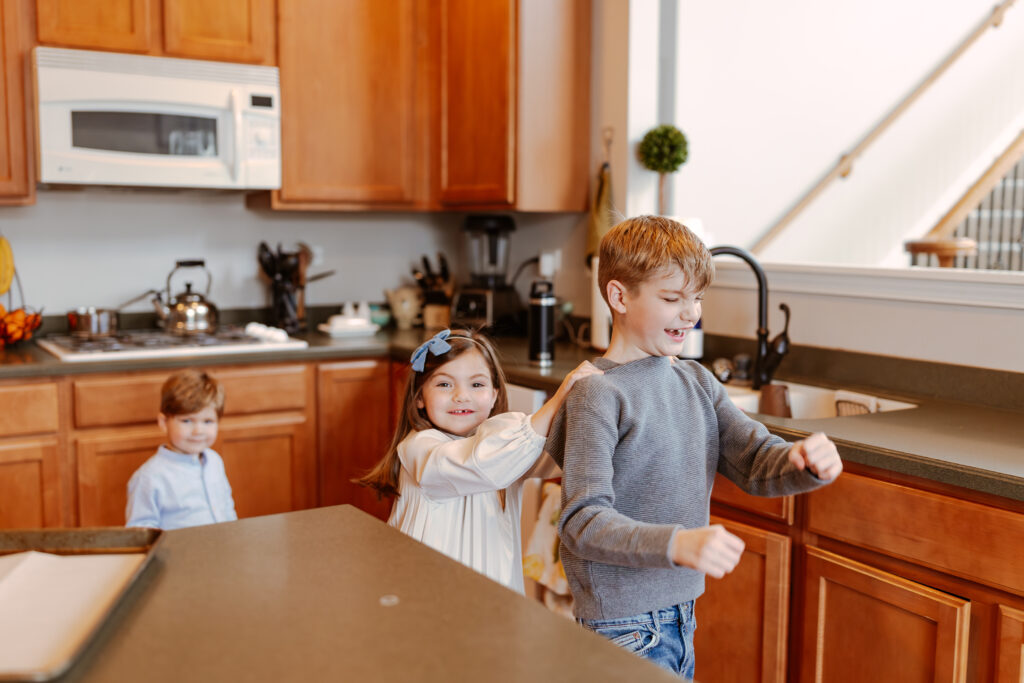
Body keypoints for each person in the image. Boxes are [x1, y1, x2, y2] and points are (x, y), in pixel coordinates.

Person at [546, 215, 843, 678]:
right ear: (619, 297)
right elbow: (582, 522)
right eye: (672, 299)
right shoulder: (598, 394)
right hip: (622, 626)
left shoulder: (697, 382)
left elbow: (755, 459)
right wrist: (676, 543)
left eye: (697, 298)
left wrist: (800, 461)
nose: (691, 314)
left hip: (680, 614)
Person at [358, 328, 600, 593]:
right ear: (418, 398)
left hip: (492, 598)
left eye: (477, 384)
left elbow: (562, 455)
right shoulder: (418, 448)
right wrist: (555, 402)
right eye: (444, 384)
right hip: (428, 600)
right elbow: (480, 463)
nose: (461, 395)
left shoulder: (506, 449)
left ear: (495, 394)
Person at [125, 369, 238, 530]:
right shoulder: (149, 477)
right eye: (187, 421)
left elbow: (227, 508)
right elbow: (139, 531)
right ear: (164, 422)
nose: (198, 431)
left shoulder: (215, 461)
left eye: (208, 421)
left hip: (220, 549)